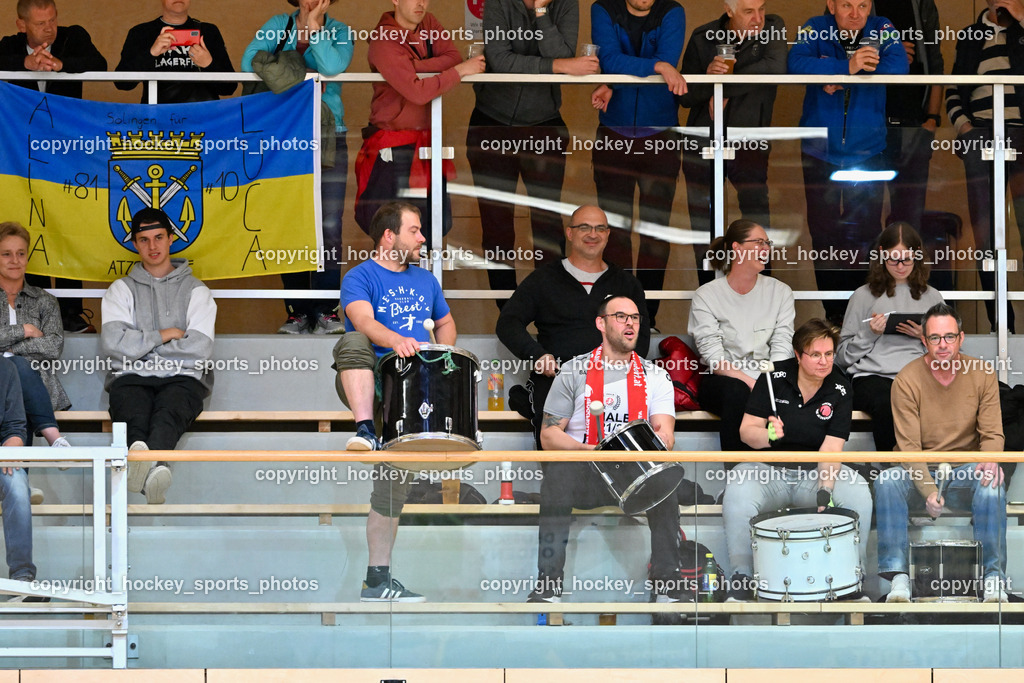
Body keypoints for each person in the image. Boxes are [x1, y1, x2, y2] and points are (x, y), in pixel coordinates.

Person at [334, 201, 455, 602]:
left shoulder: (427, 280)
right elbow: (363, 322)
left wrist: (444, 354)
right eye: (415, 231)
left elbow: (445, 322)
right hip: (373, 379)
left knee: (391, 491)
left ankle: (377, 581)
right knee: (352, 341)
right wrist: (397, 341)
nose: (422, 239)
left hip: (416, 388)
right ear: (389, 236)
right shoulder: (359, 276)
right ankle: (365, 430)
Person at [529, 295, 678, 603]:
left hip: (635, 474)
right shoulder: (573, 371)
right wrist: (589, 451)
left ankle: (667, 587)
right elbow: (549, 435)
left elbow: (665, 432)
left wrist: (662, 439)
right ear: (601, 323)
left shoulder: (655, 375)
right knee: (557, 478)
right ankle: (548, 586)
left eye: (635, 318)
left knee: (666, 485)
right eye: (621, 316)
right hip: (587, 472)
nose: (630, 324)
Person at [721, 318, 873, 601]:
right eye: (815, 355)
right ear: (798, 355)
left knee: (858, 490)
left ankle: (853, 579)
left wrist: (825, 491)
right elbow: (746, 432)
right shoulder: (772, 377)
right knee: (739, 483)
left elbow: (832, 448)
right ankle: (742, 578)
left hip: (813, 474)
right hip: (768, 472)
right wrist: (769, 436)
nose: (824, 362)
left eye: (829, 354)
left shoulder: (840, 387)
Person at [466, 0, 597, 306]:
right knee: (496, 224)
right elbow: (500, 60)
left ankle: (551, 308)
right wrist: (559, 66)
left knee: (547, 224)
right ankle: (507, 310)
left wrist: (541, 12)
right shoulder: (499, 2)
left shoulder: (566, 3)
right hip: (492, 121)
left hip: (544, 123)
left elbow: (562, 51)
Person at [876, 303, 1008, 603]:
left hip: (965, 470)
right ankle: (898, 577)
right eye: (935, 338)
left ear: (961, 338)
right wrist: (929, 491)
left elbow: (993, 433)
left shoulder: (982, 373)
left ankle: (992, 578)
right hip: (919, 470)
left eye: (949, 337)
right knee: (886, 481)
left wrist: (989, 460)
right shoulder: (906, 379)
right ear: (924, 340)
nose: (943, 344)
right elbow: (909, 448)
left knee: (992, 483)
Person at [788, 1, 908, 324]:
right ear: (831, 4)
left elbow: (899, 67)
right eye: (846, 5)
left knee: (865, 232)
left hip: (868, 150)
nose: (856, 14)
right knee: (823, 232)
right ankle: (834, 316)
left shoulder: (882, 27)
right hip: (819, 150)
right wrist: (845, 65)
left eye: (863, 5)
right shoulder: (816, 26)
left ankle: (862, 313)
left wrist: (843, 72)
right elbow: (795, 64)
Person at [242, 0, 354, 335]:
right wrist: (302, 71)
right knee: (288, 222)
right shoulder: (279, 23)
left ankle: (326, 309)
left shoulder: (340, 30)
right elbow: (248, 61)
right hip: (285, 134)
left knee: (329, 226)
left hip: (328, 134)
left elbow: (332, 66)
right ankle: (297, 311)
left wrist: (315, 30)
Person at [495, 204, 649, 447]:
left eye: (600, 228)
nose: (593, 234)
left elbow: (641, 338)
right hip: (557, 378)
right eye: (584, 227)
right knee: (554, 445)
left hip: (614, 380)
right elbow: (508, 323)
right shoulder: (544, 279)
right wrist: (537, 355)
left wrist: (619, 371)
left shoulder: (626, 284)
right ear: (569, 233)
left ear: (608, 235)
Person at [0, 0, 107, 334]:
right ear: (21, 26)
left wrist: (61, 64)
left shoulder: (74, 37)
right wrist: (24, 63)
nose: (49, 28)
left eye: (52, 20)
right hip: (23, 156)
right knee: (29, 224)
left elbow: (99, 64)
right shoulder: (9, 46)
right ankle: (34, 314)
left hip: (67, 151)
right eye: (40, 23)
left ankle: (72, 313)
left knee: (67, 224)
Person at [101, 208, 217, 505]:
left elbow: (199, 350)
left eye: (158, 237)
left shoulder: (197, 291)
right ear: (135, 244)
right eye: (144, 240)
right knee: (134, 415)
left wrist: (141, 349)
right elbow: (114, 344)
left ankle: (145, 470)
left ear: (170, 239)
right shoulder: (120, 290)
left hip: (183, 379)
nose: (152, 246)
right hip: (131, 378)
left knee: (168, 414)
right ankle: (155, 472)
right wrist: (165, 334)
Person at [590, 0, 688, 330]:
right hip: (613, 134)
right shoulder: (603, 8)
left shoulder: (672, 11)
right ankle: (618, 319)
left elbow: (668, 58)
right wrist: (657, 66)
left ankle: (646, 319)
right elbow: (609, 59)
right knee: (614, 233)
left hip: (660, 135)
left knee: (654, 233)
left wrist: (613, 81)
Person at [354, 0, 486, 245]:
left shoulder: (429, 22)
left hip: (427, 143)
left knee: (436, 225)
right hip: (393, 148)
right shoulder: (382, 39)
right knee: (390, 231)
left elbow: (453, 57)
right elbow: (418, 92)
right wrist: (459, 71)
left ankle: (422, 273)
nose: (421, 3)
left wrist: (412, 67)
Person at [677, 0, 786, 285]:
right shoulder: (703, 36)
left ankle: (762, 291)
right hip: (703, 140)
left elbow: (774, 68)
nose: (758, 18)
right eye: (749, 11)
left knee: (757, 218)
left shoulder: (773, 28)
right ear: (729, 10)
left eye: (761, 9)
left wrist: (723, 86)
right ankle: (709, 291)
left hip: (750, 141)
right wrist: (708, 78)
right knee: (703, 224)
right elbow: (685, 96)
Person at [946, 0, 1024, 333]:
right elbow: (953, 89)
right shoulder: (970, 34)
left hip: (1021, 136)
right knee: (986, 235)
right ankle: (1001, 326)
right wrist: (965, 128)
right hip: (980, 136)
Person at [837, 223, 943, 462]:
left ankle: (929, 470)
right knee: (888, 401)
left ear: (917, 256)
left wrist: (925, 337)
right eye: (893, 259)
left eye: (907, 259)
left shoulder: (932, 296)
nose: (900, 266)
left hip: (919, 375)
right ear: (882, 255)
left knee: (939, 398)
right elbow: (841, 357)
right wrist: (870, 333)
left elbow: (950, 351)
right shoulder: (863, 296)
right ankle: (892, 470)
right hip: (872, 377)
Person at [688, 220, 793, 453]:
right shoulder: (707, 295)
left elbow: (782, 345)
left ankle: (781, 468)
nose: (766, 248)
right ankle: (738, 470)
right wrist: (752, 383)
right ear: (736, 247)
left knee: (786, 393)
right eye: (759, 242)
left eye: (768, 243)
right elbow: (715, 359)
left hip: (768, 377)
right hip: (724, 380)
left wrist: (769, 382)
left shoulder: (780, 292)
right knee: (738, 392)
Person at [0, 222, 73, 506]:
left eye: (21, 253)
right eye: (6, 254)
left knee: (17, 370)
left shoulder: (45, 300)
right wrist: (25, 330)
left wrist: (9, 349)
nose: (15, 260)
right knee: (14, 370)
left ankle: (15, 484)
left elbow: (53, 346)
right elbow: (41, 344)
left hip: (35, 385)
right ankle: (52, 442)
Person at [875, 0, 944, 233]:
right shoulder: (857, 4)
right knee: (865, 218)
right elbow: (840, 51)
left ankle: (906, 259)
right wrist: (888, 51)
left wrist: (932, 119)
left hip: (915, 123)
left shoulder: (922, 4)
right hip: (868, 124)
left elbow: (935, 63)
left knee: (910, 220)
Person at [115, 0, 236, 104]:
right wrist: (151, 53)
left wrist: (208, 64)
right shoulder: (141, 32)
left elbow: (229, 88)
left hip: (202, 117)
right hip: (159, 117)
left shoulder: (209, 31)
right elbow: (122, 84)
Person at [0, 356, 42, 601]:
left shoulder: (5, 368)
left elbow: (15, 427)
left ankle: (21, 580)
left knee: (17, 481)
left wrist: (12, 447)